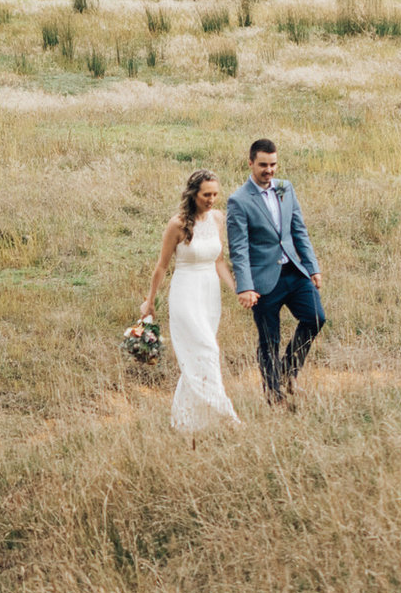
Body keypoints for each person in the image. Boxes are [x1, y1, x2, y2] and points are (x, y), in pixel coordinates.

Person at [139, 168, 241, 432]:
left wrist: (236, 289)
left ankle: (187, 421)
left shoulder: (218, 218)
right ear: (193, 194)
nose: (211, 199)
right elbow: (161, 266)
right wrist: (150, 302)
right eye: (206, 194)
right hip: (185, 292)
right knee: (208, 351)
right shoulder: (178, 224)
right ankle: (227, 416)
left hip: (210, 293)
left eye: (215, 194)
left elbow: (218, 261)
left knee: (196, 357)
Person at [225, 139, 324, 404]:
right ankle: (274, 395)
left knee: (316, 318)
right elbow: (239, 248)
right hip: (263, 281)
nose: (269, 170)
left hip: (294, 271)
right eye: (263, 165)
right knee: (270, 341)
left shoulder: (285, 188)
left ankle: (287, 371)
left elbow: (298, 230)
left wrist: (312, 267)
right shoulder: (239, 200)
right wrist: (244, 286)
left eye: (273, 164)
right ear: (250, 163)